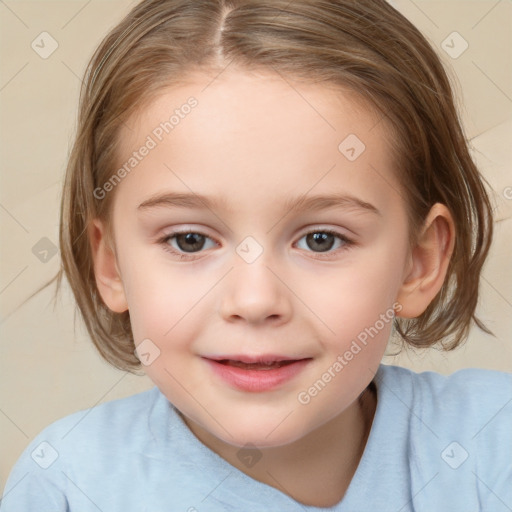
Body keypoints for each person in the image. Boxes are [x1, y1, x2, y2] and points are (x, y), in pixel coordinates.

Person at [1, 0, 510, 510]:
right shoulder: (69, 484)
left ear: (417, 264)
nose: (254, 299)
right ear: (110, 265)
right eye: (190, 240)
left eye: (321, 239)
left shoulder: (492, 446)